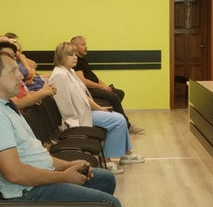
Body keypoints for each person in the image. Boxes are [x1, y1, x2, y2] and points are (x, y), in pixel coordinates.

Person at [0, 50, 121, 207]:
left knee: (105, 179)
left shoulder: (4, 105)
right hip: (25, 193)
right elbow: (14, 174)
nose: (21, 75)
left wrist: (67, 165)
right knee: (111, 205)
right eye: (13, 71)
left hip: (36, 180)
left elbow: (34, 154)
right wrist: (64, 176)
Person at [50, 42, 144, 170]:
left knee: (118, 117)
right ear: (61, 56)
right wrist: (75, 123)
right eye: (70, 55)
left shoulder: (69, 71)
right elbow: (65, 107)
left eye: (75, 54)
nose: (75, 57)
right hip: (77, 118)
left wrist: (100, 108)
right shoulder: (59, 75)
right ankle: (107, 161)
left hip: (85, 112)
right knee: (118, 121)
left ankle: (126, 154)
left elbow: (84, 97)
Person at [71, 35, 144, 134]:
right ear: (75, 47)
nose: (86, 46)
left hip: (94, 88)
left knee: (119, 93)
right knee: (114, 97)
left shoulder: (82, 59)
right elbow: (83, 81)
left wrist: (105, 86)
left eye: (85, 44)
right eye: (83, 45)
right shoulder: (75, 61)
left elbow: (93, 77)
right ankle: (127, 126)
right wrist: (102, 87)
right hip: (89, 90)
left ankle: (113, 117)